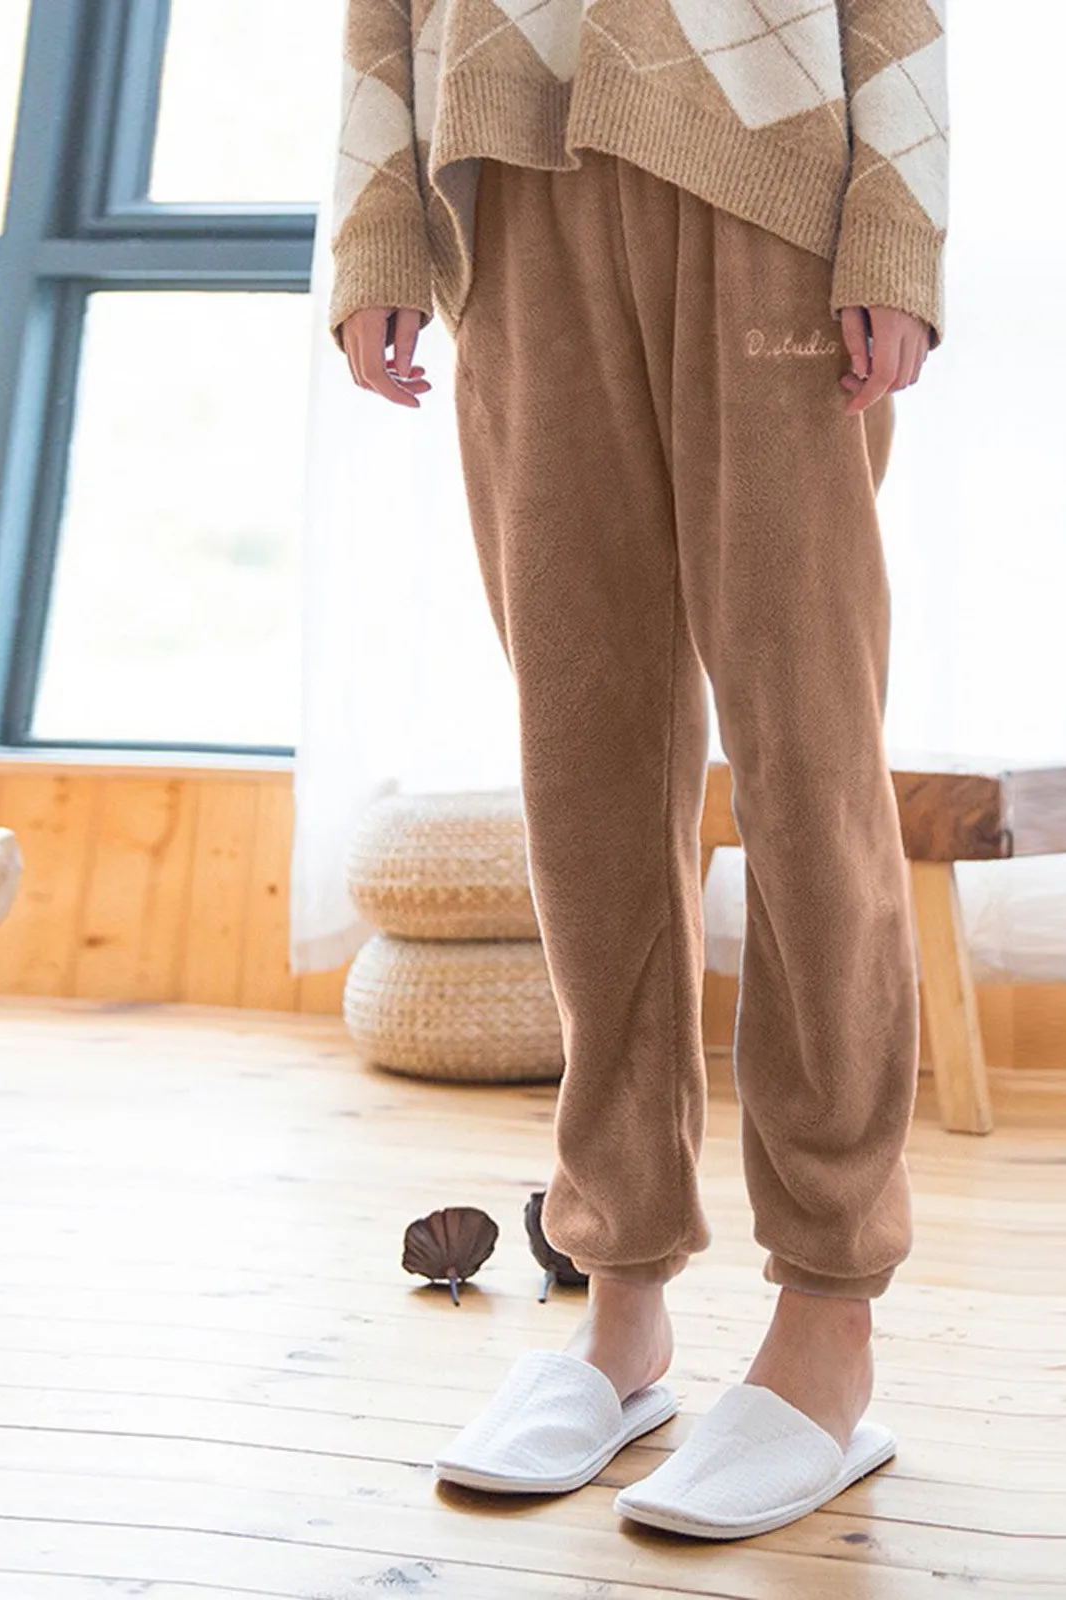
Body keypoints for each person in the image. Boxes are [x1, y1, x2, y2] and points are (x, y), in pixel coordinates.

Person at [328, 0, 947, 1541]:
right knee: (585, 774)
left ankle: (828, 1322)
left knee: (807, 766)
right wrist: (377, 229)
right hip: (514, 196)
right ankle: (620, 1307)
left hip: (772, 192)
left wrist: (895, 238)